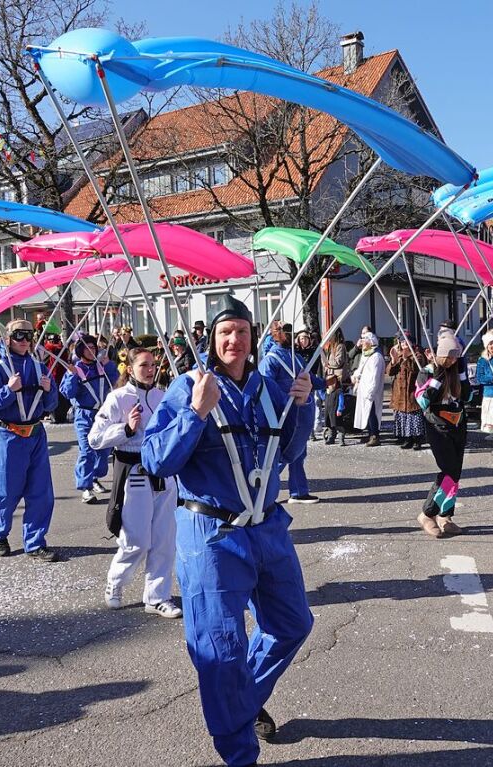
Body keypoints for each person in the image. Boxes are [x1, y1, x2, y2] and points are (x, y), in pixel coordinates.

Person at [142, 295, 314, 767]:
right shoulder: (188, 386)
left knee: (292, 624)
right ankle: (240, 754)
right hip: (211, 535)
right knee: (220, 648)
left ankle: (242, 700)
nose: (234, 339)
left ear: (252, 337)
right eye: (225, 332)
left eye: (241, 330)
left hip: (267, 529)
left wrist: (301, 406)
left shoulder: (268, 388)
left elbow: (288, 456)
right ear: (211, 340)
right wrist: (195, 413)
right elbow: (157, 460)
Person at [89, 347, 181, 618]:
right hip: (135, 472)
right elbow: (95, 439)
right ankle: (115, 582)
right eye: (144, 365)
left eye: (153, 364)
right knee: (137, 540)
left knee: (165, 540)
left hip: (164, 474)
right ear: (129, 369)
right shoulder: (117, 398)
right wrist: (126, 429)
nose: (151, 369)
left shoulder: (163, 396)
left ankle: (157, 597)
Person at [0, 320, 60, 561]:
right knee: (5, 490)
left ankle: (35, 542)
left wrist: (49, 390)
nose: (24, 340)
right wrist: (8, 391)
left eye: (28, 335)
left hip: (35, 434)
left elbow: (51, 405)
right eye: (18, 335)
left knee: (41, 492)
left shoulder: (39, 366)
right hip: (9, 435)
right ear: (7, 339)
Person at [259, 322, 324, 503]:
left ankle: (298, 491)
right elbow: (266, 387)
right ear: (275, 335)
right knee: (282, 453)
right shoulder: (270, 359)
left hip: (300, 411)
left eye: (290, 332)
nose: (289, 335)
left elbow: (307, 377)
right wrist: (283, 401)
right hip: (283, 413)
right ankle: (261, 490)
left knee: (299, 452)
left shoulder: (295, 356)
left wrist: (324, 383)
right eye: (284, 332)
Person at [415, 329, 470, 537]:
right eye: (450, 357)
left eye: (456, 357)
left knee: (455, 473)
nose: (453, 361)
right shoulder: (427, 371)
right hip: (437, 425)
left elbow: (468, 396)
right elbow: (422, 401)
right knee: (447, 470)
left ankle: (445, 515)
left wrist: (462, 373)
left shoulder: (456, 370)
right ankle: (427, 513)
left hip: (458, 425)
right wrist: (436, 379)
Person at [61, 334, 119, 504]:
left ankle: (95, 477)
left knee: (104, 450)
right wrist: (71, 376)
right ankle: (85, 487)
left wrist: (108, 364)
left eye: (94, 347)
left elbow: (116, 381)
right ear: (80, 350)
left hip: (102, 415)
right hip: (84, 415)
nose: (92, 350)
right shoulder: (75, 369)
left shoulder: (101, 367)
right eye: (88, 347)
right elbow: (67, 393)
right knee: (87, 450)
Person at [387, 335, 426, 451]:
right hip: (399, 393)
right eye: (402, 342)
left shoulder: (418, 355)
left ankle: (417, 440)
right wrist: (393, 360)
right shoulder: (399, 355)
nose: (403, 344)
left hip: (411, 392)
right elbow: (390, 372)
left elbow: (415, 368)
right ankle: (406, 438)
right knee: (403, 417)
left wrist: (406, 358)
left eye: (405, 342)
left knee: (414, 417)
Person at [351, 331, 385, 447]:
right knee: (366, 412)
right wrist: (355, 376)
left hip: (371, 390)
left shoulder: (376, 357)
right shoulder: (366, 354)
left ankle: (375, 435)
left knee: (372, 412)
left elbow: (375, 376)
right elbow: (360, 369)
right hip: (364, 388)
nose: (362, 342)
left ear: (371, 342)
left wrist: (371, 391)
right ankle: (370, 433)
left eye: (365, 339)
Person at [322, 327, 350, 445]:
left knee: (336, 407)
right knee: (329, 408)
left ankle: (339, 434)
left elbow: (339, 362)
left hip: (337, 379)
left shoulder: (340, 346)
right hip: (330, 379)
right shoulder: (331, 347)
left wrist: (328, 364)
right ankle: (331, 434)